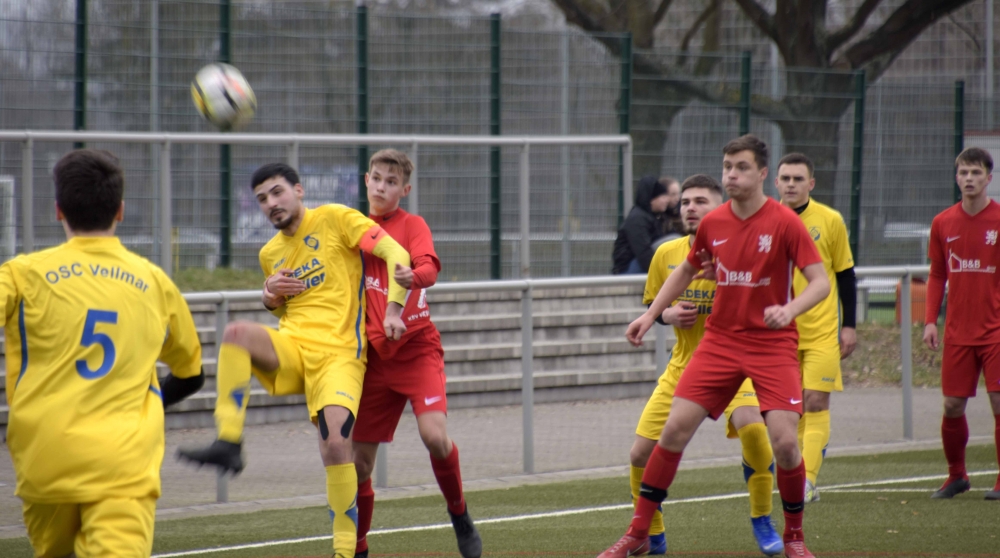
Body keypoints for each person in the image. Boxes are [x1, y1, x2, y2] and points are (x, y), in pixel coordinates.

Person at [599, 134, 830, 558]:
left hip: (771, 345)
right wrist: (651, 316)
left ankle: (794, 536)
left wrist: (789, 309)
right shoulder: (713, 223)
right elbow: (685, 270)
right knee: (672, 431)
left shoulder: (784, 222)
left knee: (783, 443)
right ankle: (639, 532)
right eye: (727, 167)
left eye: (741, 167)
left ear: (762, 173)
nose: (732, 175)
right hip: (720, 343)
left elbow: (821, 283)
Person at [178, 162, 411, 557]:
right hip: (294, 348)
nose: (271, 203)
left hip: (340, 355)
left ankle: (346, 550)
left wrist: (393, 309)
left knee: (336, 446)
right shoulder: (270, 253)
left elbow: (395, 252)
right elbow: (283, 310)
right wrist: (269, 296)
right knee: (235, 333)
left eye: (277, 192)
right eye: (262, 199)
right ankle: (228, 441)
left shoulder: (335, 218)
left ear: (299, 191)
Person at [3, 149, 204, 557]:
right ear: (121, 211)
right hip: (123, 465)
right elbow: (191, 374)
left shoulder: (22, 275)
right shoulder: (155, 282)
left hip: (45, 461)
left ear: (58, 211)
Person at [633, 174, 784, 556]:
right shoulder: (666, 254)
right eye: (685, 201)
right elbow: (652, 304)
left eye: (701, 201)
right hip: (684, 365)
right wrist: (666, 315)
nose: (690, 208)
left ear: (721, 208)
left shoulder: (743, 251)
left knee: (754, 431)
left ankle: (762, 518)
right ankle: (651, 534)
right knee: (639, 454)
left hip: (739, 364)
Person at [352, 149, 482, 558]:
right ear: (366, 180)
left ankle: (459, 512)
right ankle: (358, 546)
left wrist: (414, 275)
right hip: (373, 360)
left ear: (404, 190)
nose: (381, 187)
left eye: (391, 182)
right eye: (376, 178)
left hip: (416, 348)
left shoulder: (412, 225)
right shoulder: (352, 226)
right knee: (358, 465)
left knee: (435, 437)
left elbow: (429, 267)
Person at [774, 153, 857, 503]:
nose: (791, 184)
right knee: (791, 411)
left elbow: (845, 275)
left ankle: (806, 482)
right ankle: (795, 473)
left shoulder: (830, 220)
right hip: (778, 334)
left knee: (816, 402)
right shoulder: (765, 220)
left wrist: (849, 325)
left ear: (811, 183)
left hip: (822, 331)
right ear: (775, 182)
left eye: (798, 178)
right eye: (785, 178)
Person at [922, 146, 1000, 501]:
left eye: (976, 173)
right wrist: (930, 321)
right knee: (953, 405)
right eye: (964, 173)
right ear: (956, 177)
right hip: (958, 331)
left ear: (988, 178)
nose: (969, 178)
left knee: (998, 402)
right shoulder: (943, 222)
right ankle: (957, 476)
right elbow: (937, 274)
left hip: (995, 330)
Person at [612, 176, 672, 274]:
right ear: (652, 199)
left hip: (638, 265)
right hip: (627, 269)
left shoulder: (653, 217)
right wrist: (661, 274)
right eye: (663, 196)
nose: (667, 200)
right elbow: (644, 253)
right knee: (672, 240)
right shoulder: (637, 219)